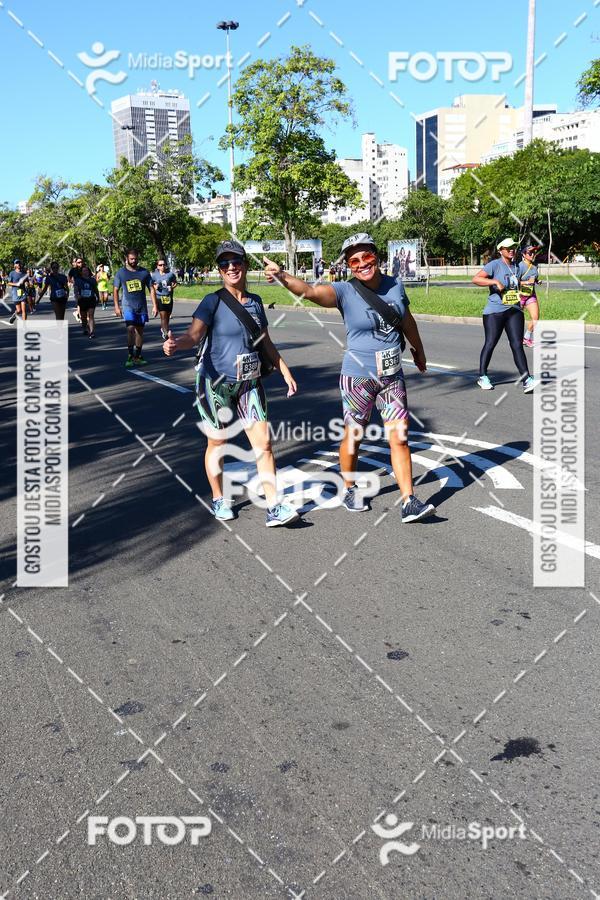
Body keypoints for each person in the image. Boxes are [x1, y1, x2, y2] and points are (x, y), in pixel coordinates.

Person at [264, 232, 436, 523]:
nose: (362, 263)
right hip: (357, 378)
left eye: (367, 256)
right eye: (354, 260)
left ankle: (409, 500)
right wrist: (282, 275)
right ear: (348, 265)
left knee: (400, 437)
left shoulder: (395, 285)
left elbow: (407, 320)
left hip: (392, 376)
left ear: (376, 256)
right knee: (353, 437)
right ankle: (349, 486)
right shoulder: (344, 290)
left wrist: (419, 350)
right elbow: (309, 291)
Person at [163, 239, 299, 527]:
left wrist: (284, 369)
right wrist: (177, 344)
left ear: (245, 265)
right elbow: (194, 336)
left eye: (236, 261)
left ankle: (274, 505)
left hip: (249, 384)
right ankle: (219, 498)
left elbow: (264, 342)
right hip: (215, 384)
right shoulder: (212, 301)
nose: (231, 267)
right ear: (219, 270)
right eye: (224, 264)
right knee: (218, 441)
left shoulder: (256, 302)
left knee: (264, 444)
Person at [472, 238, 535, 393]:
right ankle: (483, 376)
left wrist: (526, 290)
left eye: (513, 247)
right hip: (494, 311)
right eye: (507, 248)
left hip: (514, 310)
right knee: (491, 342)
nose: (511, 250)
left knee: (517, 345)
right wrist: (494, 282)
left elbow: (519, 284)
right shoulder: (494, 264)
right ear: (501, 250)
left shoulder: (517, 266)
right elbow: (476, 278)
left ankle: (527, 379)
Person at [113, 249, 157, 367]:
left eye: (136, 259)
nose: (134, 261)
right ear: (127, 259)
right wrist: (117, 307)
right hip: (128, 306)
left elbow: (151, 289)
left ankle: (137, 355)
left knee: (139, 332)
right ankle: (130, 355)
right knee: (130, 328)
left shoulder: (144, 272)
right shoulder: (121, 273)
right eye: (131, 259)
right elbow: (116, 290)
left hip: (141, 306)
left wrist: (155, 306)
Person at [519, 244, 541, 347]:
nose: (532, 254)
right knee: (516, 320)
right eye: (529, 253)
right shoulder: (520, 266)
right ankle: (515, 338)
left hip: (531, 295)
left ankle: (526, 338)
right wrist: (526, 282)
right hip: (519, 296)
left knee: (535, 318)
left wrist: (537, 281)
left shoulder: (534, 267)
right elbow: (514, 282)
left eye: (533, 252)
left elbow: (534, 279)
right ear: (524, 254)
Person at [151, 258, 177, 340]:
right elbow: (151, 286)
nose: (162, 266)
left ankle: (165, 328)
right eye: (160, 265)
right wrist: (155, 287)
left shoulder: (170, 274)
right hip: (159, 297)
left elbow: (175, 283)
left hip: (168, 297)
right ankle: (165, 333)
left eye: (164, 265)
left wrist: (172, 287)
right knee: (163, 316)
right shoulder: (154, 275)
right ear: (157, 266)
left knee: (168, 316)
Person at [75, 265, 100, 338]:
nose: (85, 272)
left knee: (91, 315)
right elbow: (76, 290)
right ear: (81, 272)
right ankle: (84, 328)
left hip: (91, 299)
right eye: (84, 271)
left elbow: (95, 289)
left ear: (89, 272)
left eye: (86, 271)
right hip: (82, 300)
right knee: (83, 317)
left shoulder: (92, 280)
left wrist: (98, 297)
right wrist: (77, 296)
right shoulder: (78, 280)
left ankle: (92, 332)